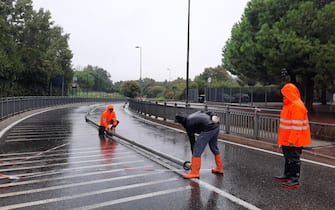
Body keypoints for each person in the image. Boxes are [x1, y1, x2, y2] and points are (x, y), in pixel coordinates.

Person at [275, 83, 311, 189]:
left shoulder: (296, 105)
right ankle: (287, 175)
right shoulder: (288, 105)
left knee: (294, 159)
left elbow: (297, 126)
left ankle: (294, 180)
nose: (283, 96)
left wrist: (291, 140)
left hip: (295, 139)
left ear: (290, 94)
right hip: (288, 139)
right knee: (288, 158)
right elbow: (286, 125)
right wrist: (282, 140)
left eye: (285, 94)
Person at [175, 110, 223, 179]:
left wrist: (194, 154)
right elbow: (209, 112)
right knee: (214, 148)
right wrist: (213, 115)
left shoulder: (187, 125)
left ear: (181, 122)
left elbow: (192, 141)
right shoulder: (194, 114)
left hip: (208, 129)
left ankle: (195, 172)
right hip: (216, 126)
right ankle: (219, 168)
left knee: (197, 150)